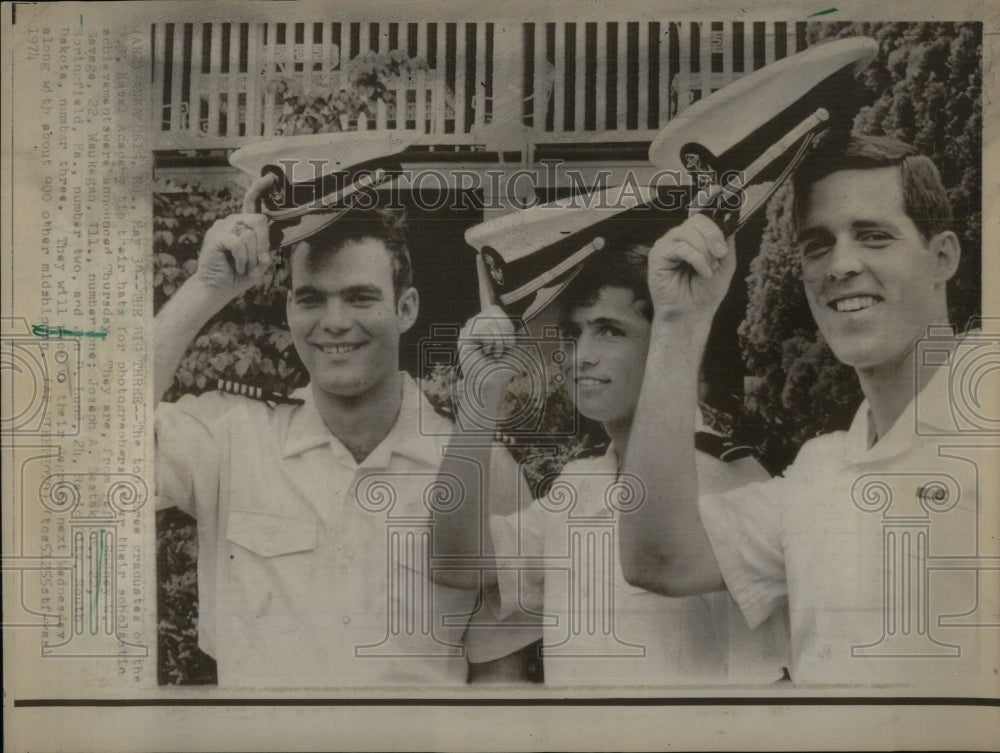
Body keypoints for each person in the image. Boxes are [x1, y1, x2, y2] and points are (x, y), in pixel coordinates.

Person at [619, 134, 988, 683]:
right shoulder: (820, 471)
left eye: (874, 236)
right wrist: (680, 322)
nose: (840, 265)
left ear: (943, 257)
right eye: (818, 245)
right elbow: (659, 559)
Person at [154, 202, 529, 686]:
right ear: (290, 311)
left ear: (406, 308)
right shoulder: (230, 438)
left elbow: (502, 676)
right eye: (311, 299)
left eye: (359, 298)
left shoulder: (480, 466)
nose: (334, 321)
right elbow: (89, 443)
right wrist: (207, 288)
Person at [434, 227, 790, 685]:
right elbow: (456, 563)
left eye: (610, 331)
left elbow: (766, 689)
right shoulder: (580, 484)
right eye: (573, 332)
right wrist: (479, 401)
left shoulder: (725, 478)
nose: (581, 356)